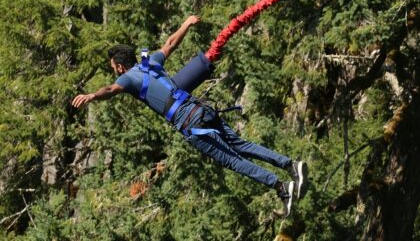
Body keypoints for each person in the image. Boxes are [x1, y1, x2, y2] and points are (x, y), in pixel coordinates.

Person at [72, 15, 308, 217]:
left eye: (113, 68)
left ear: (120, 67)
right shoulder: (149, 62)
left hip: (188, 120)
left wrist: (92, 95)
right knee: (241, 145)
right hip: (200, 108)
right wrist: (186, 24)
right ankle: (290, 165)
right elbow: (170, 44)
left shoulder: (127, 78)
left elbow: (111, 90)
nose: (114, 72)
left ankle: (281, 187)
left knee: (232, 160)